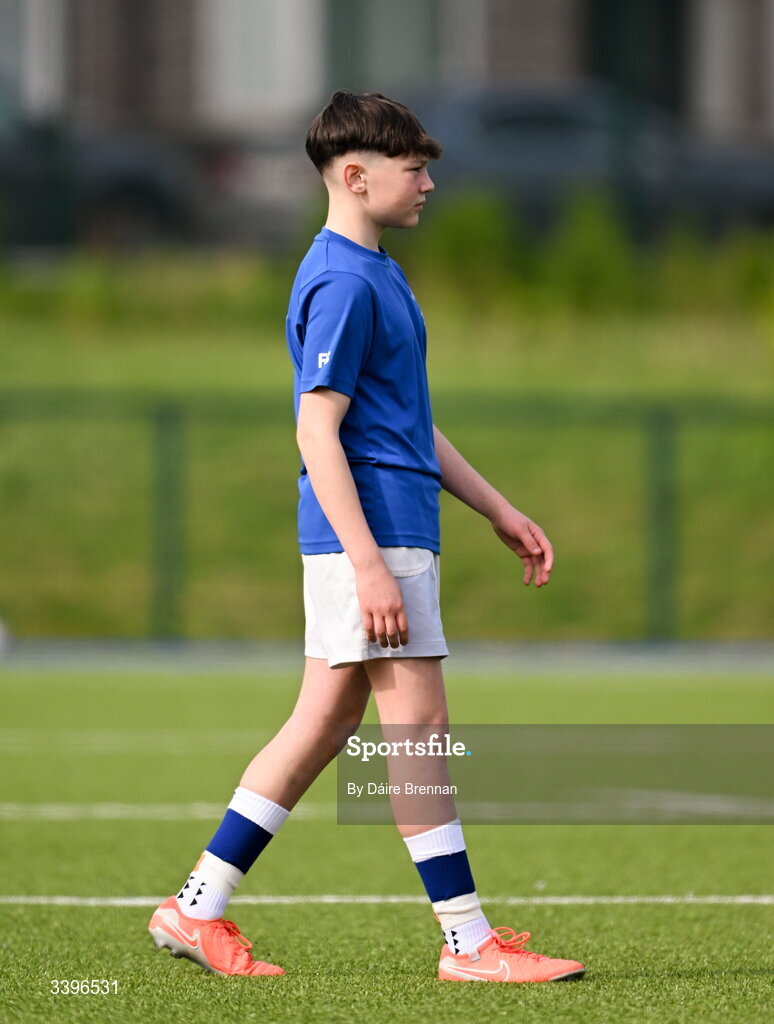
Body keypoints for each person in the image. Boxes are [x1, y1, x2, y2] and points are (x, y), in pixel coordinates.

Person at [148, 90, 585, 984]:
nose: (428, 183)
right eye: (415, 168)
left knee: (324, 722)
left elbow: (406, 424)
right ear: (355, 175)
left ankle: (194, 908)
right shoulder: (345, 278)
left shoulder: (376, 271)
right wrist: (367, 564)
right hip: (374, 534)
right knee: (418, 731)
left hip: (391, 527)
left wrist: (496, 508)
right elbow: (318, 430)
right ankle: (468, 943)